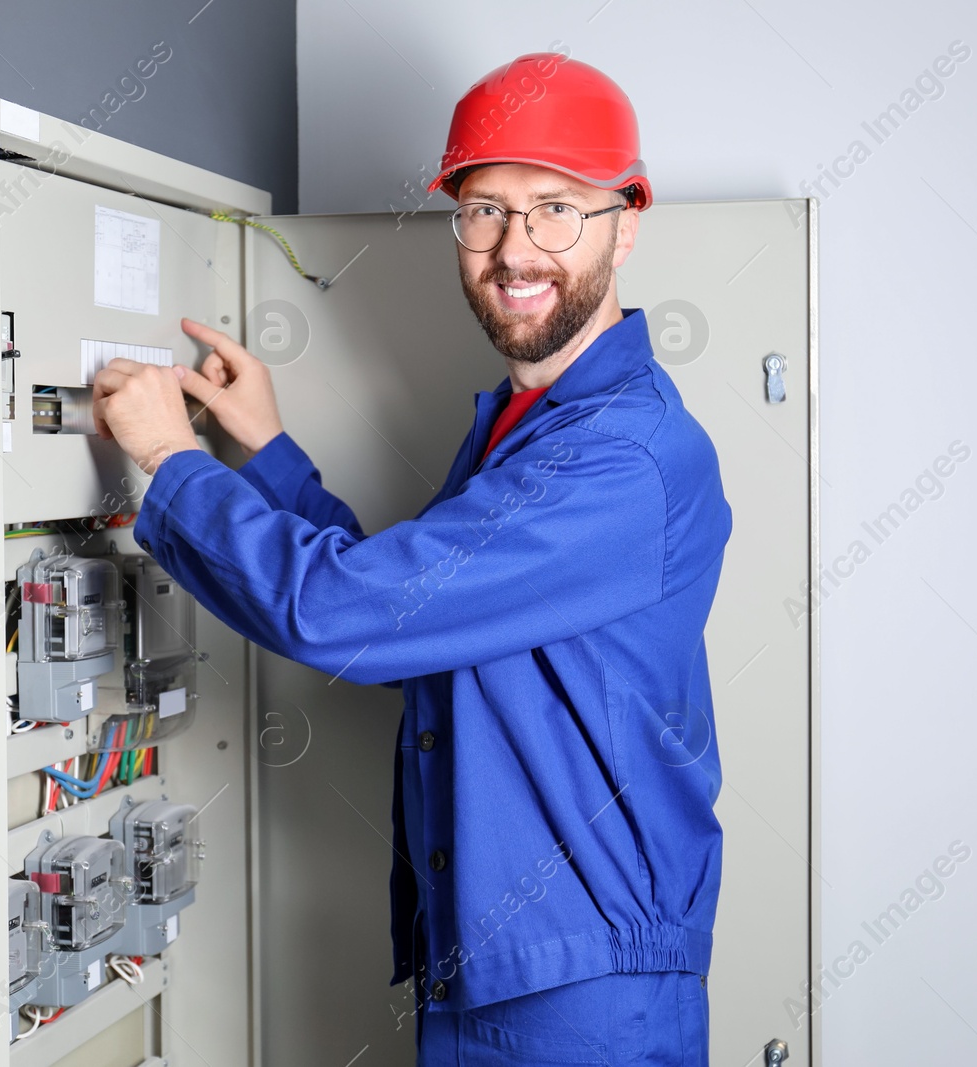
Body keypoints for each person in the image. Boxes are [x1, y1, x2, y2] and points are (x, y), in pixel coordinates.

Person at [92, 51, 731, 1066]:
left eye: (556, 207)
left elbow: (350, 614)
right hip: (495, 959)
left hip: (580, 990)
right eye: (484, 210)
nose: (516, 249)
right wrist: (265, 454)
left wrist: (170, 461)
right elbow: (420, 608)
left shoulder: (620, 456)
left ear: (628, 221)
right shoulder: (526, 423)